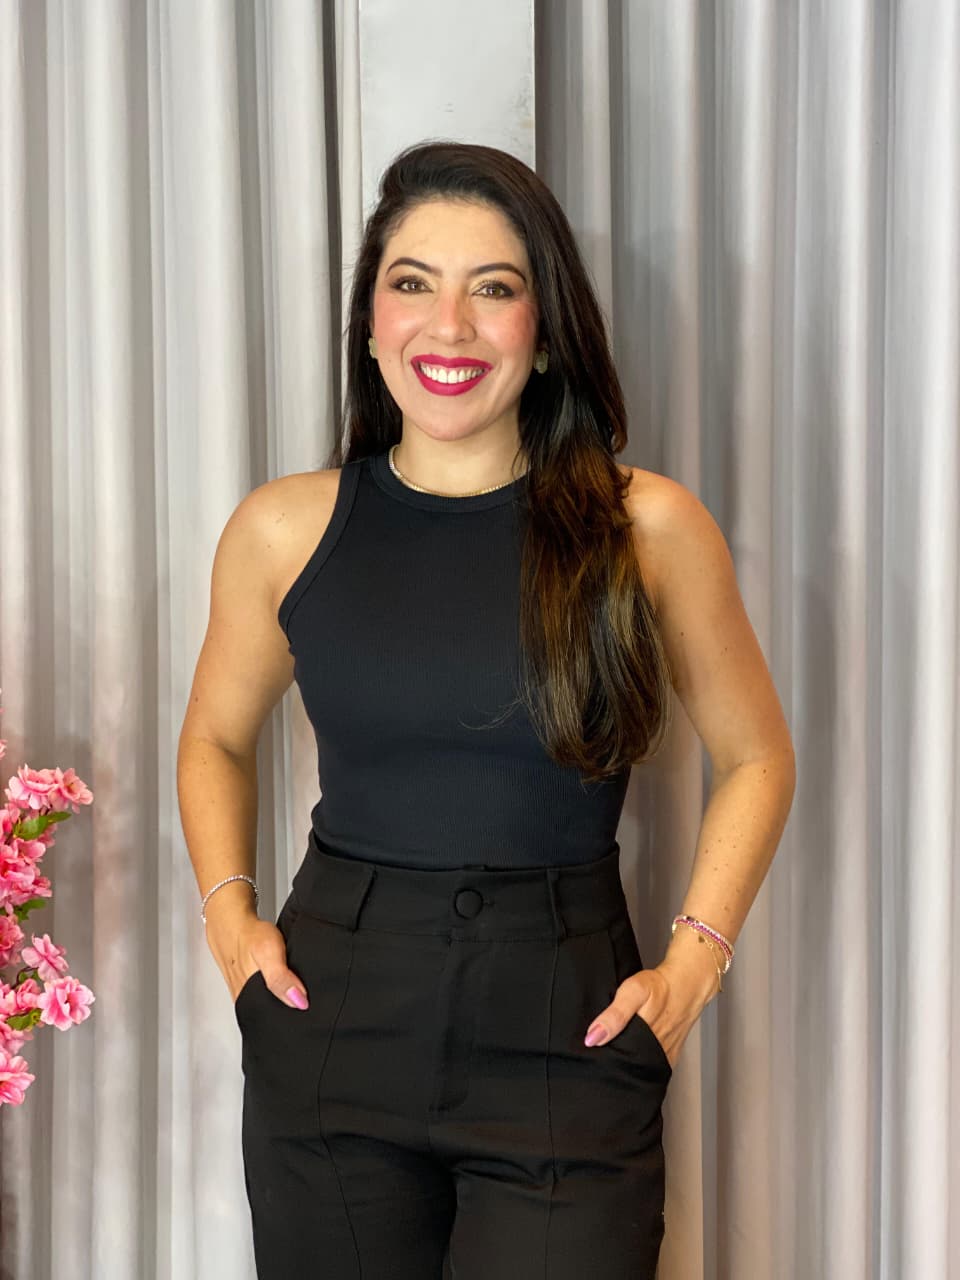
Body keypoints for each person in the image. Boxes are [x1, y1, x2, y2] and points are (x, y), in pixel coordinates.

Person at [177, 140, 796, 1279]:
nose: (448, 325)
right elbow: (214, 736)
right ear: (371, 325)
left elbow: (757, 755)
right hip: (335, 1015)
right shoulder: (282, 529)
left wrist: (695, 962)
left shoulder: (648, 528)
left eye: (494, 289)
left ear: (545, 332)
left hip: (568, 1025)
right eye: (412, 283)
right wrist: (230, 918)